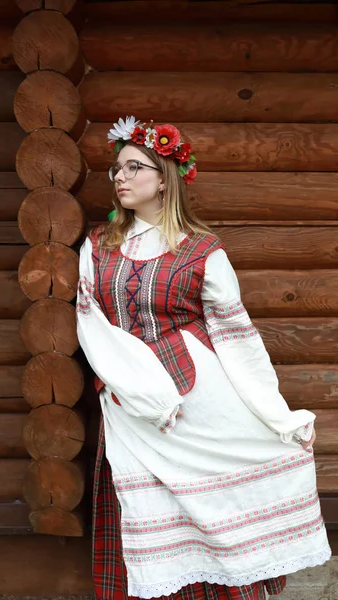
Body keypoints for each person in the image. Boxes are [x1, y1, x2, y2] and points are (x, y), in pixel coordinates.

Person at [76, 116, 331, 600]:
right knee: (152, 513)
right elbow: (91, 327)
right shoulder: (98, 247)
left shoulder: (202, 251)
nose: (120, 178)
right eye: (117, 170)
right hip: (135, 405)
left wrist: (279, 418)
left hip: (199, 401)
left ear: (164, 178)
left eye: (134, 167)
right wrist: (140, 391)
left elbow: (238, 340)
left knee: (215, 513)